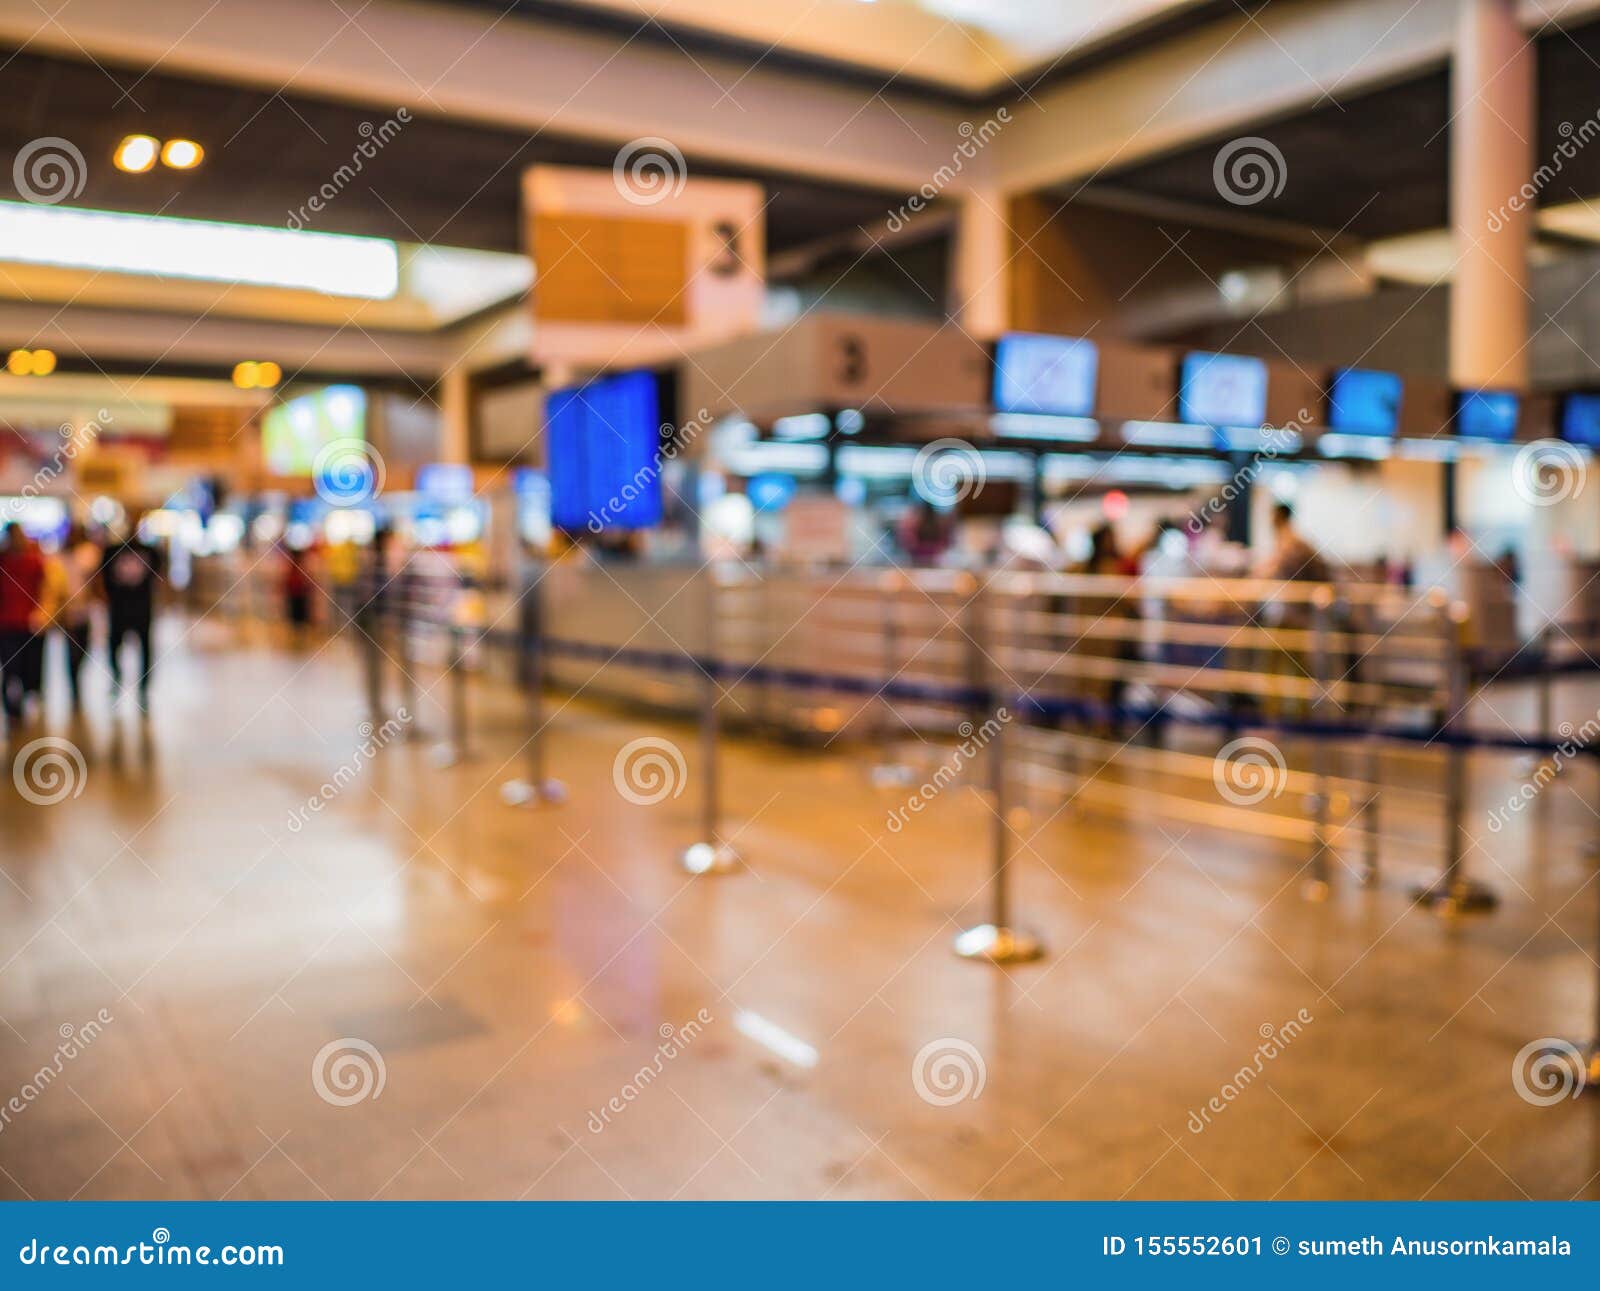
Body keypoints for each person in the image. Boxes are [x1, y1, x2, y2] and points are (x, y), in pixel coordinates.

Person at [98, 513, 164, 711]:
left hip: (142, 609)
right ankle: (117, 679)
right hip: (118, 610)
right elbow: (102, 578)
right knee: (114, 647)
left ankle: (143, 689)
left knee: (145, 649)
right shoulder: (111, 551)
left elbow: (159, 577)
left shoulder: (151, 551)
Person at [0, 523, 46, 728]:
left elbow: (45, 589)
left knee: (27, 666)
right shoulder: (5, 562)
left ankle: (25, 698)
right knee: (12, 667)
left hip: (29, 623)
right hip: (8, 624)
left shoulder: (34, 561)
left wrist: (43, 613)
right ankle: (13, 707)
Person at [51, 524, 101, 711]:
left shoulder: (88, 553)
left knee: (84, 646)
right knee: (71, 649)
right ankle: (74, 688)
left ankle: (77, 677)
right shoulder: (60, 556)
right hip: (67, 608)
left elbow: (94, 578)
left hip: (84, 607)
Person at [282, 542, 314, 644]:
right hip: (296, 595)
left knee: (298, 619)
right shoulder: (295, 567)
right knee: (297, 619)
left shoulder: (295, 567)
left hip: (298, 596)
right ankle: (297, 639)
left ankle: (298, 639)